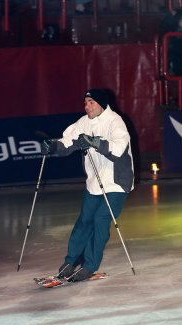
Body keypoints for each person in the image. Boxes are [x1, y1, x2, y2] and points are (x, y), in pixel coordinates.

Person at [41, 89, 134, 282]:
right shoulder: (84, 122)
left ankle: (89, 265)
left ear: (100, 103)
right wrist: (53, 145)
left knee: (100, 220)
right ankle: (71, 261)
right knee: (84, 221)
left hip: (117, 182)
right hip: (94, 182)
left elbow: (118, 149)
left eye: (91, 102)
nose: (87, 106)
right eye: (85, 103)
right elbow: (68, 142)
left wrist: (95, 142)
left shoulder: (115, 122)